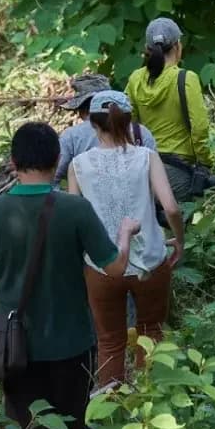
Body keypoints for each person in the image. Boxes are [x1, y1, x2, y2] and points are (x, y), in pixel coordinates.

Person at [0, 122, 140, 429]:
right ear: (57, 159)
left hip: (16, 349)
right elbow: (116, 267)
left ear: (13, 161)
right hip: (72, 343)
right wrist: (125, 232)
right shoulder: (75, 209)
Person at [67, 91, 184, 386]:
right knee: (151, 331)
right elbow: (170, 207)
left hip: (101, 266)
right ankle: (151, 400)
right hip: (150, 261)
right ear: (130, 122)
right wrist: (179, 240)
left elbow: (74, 218)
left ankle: (113, 411)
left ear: (92, 124)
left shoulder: (79, 166)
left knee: (109, 341)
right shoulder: (146, 157)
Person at [125, 17, 215, 203]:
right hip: (179, 171)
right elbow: (199, 127)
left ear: (147, 48)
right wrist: (204, 162)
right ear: (177, 46)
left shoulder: (136, 79)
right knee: (181, 229)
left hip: (143, 168)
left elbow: (126, 122)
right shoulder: (186, 78)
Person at [54, 73, 157, 186]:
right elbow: (155, 182)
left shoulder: (71, 136)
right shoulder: (141, 132)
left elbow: (53, 177)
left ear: (82, 110)